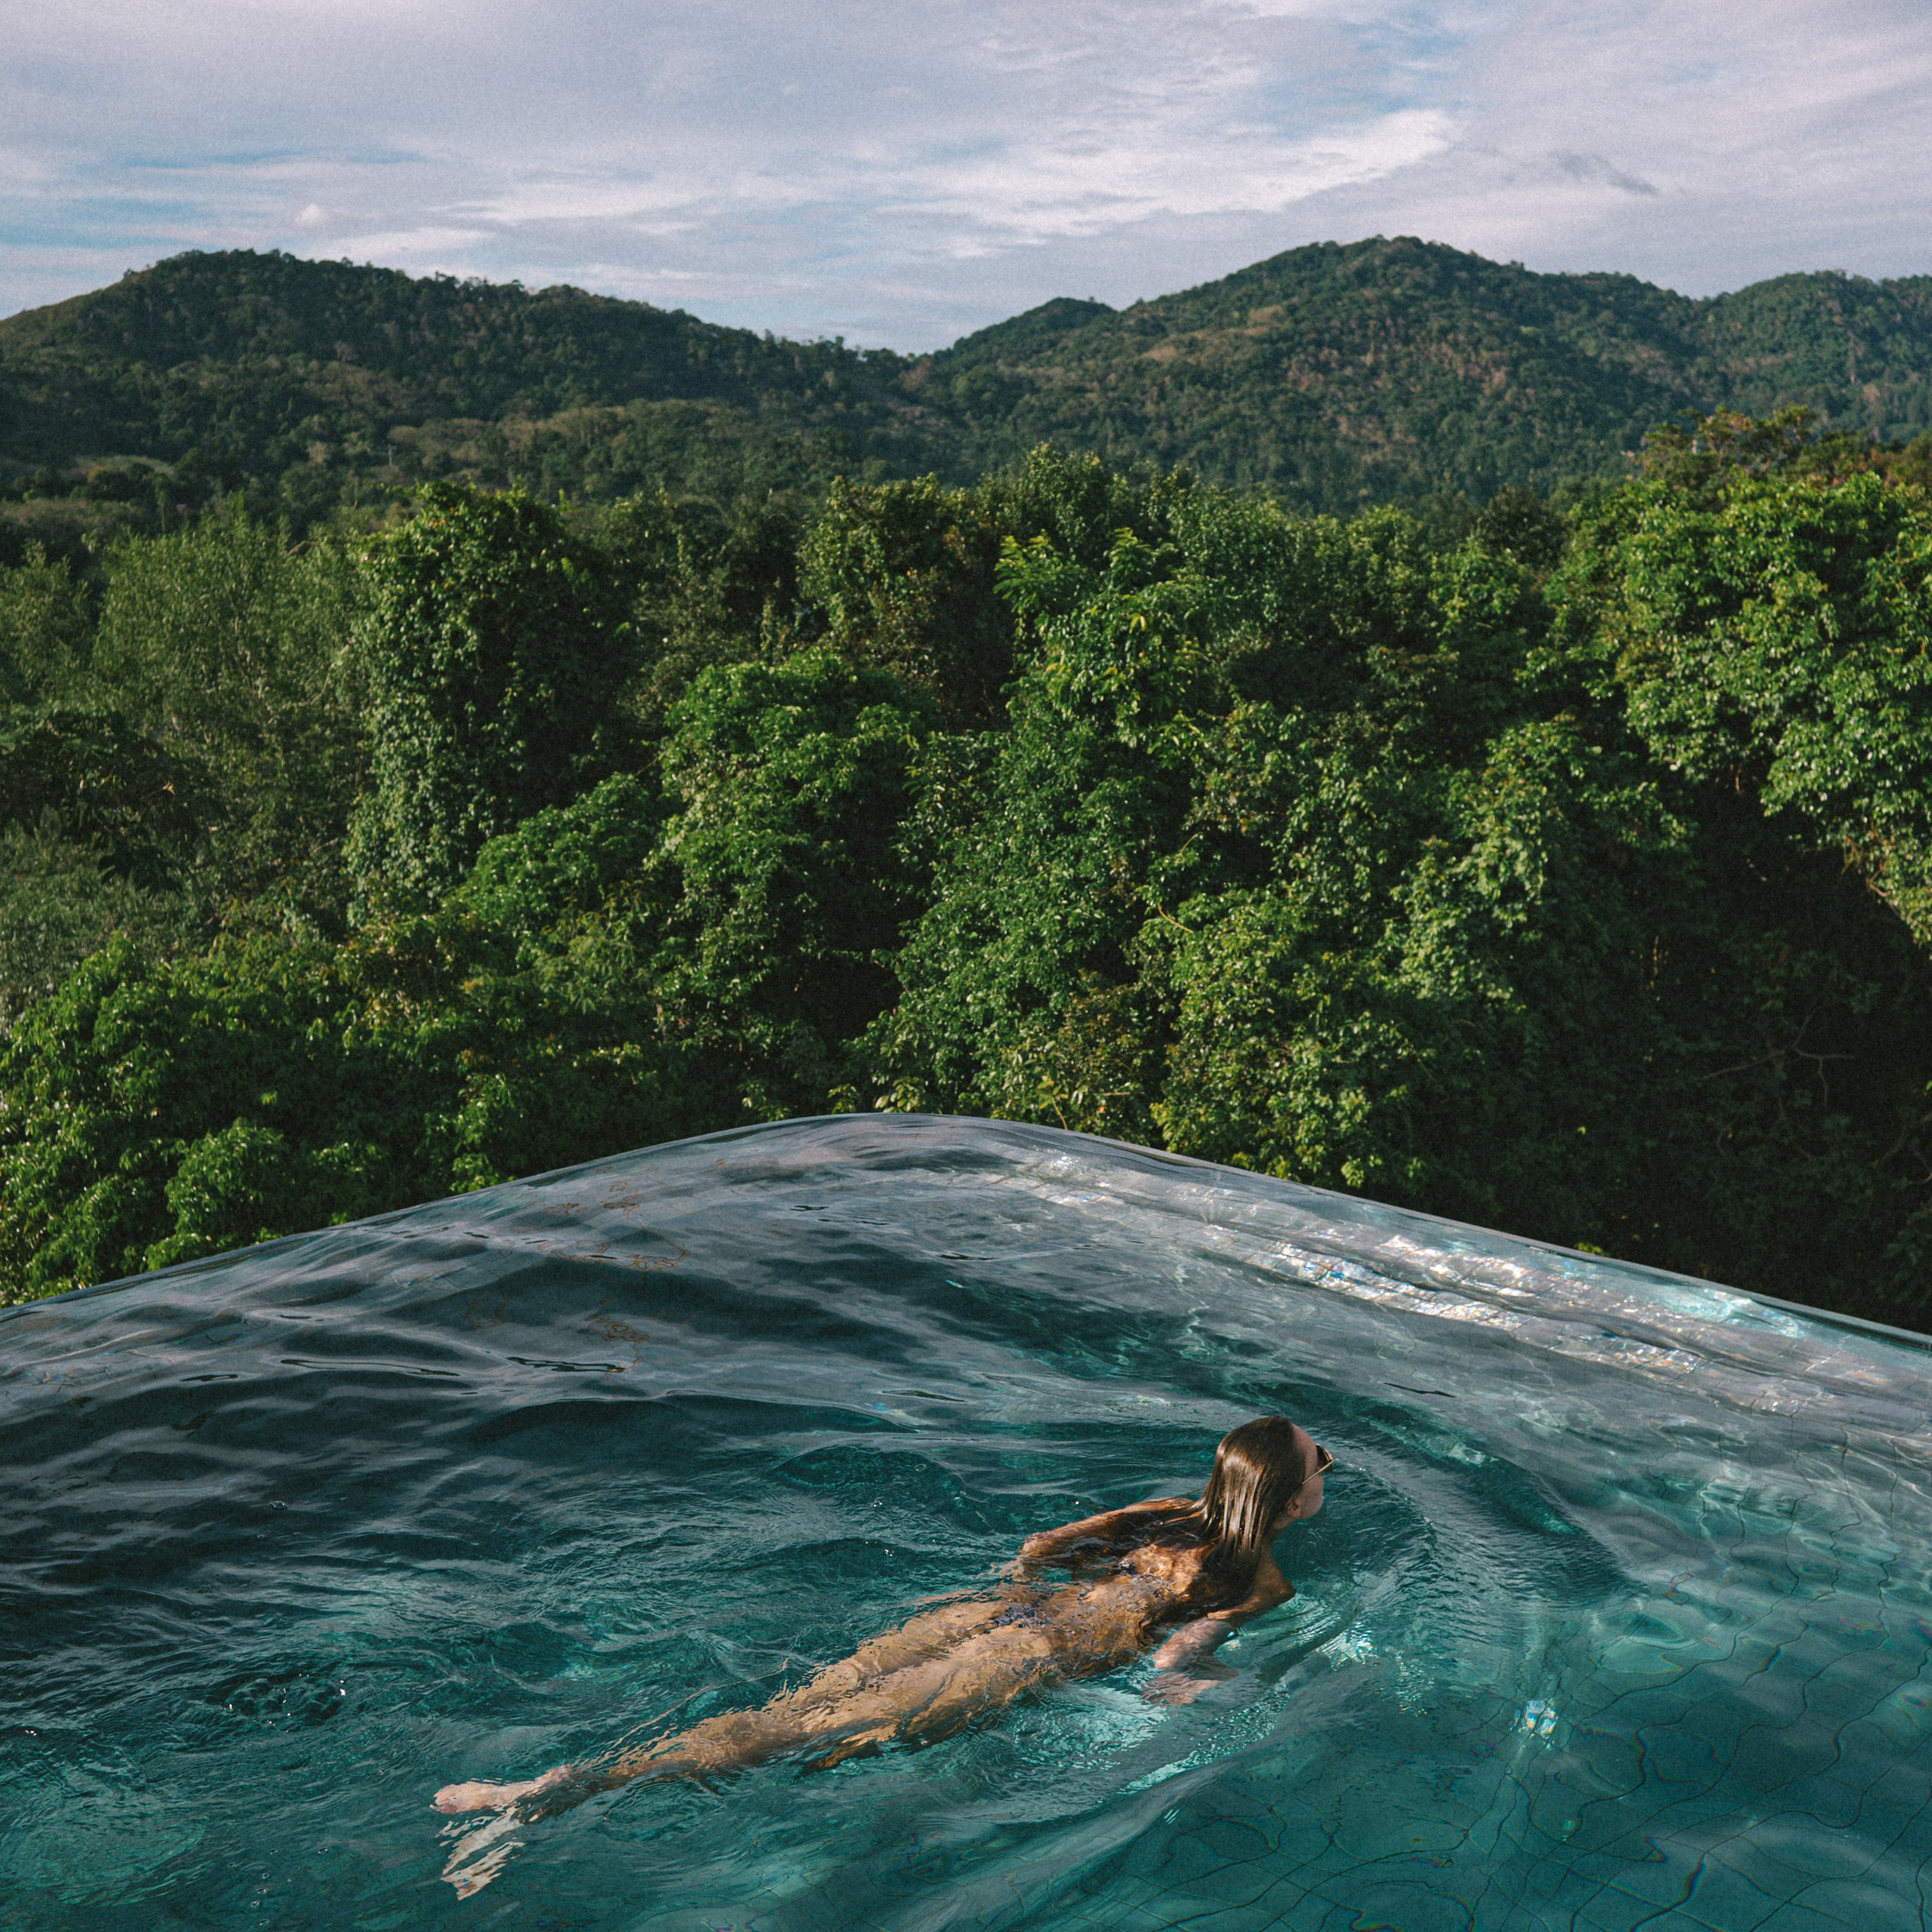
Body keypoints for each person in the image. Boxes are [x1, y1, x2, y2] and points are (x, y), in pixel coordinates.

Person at [431, 1417, 1329, 1892]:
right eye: (1320, 1459)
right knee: (785, 1739)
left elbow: (1037, 1545)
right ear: (1287, 1504)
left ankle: (546, 1789)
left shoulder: (1168, 1509)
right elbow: (1172, 1665)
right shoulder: (1263, 1584)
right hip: (1019, 1660)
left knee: (787, 1714)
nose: (1326, 1465)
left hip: (989, 1614)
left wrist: (1018, 1605)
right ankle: (543, 1799)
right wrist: (1223, 1686)